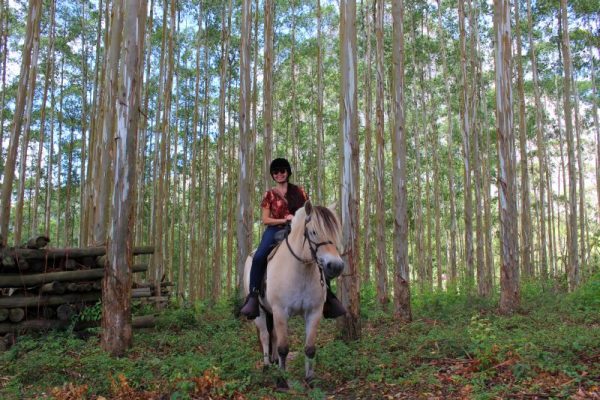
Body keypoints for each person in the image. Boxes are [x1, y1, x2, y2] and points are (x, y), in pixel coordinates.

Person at [240, 158, 347, 320]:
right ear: (272, 175)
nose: (279, 174)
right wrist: (285, 220)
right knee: (260, 255)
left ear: (288, 172)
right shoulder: (269, 195)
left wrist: (296, 220)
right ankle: (254, 296)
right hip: (275, 229)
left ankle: (328, 297)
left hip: (297, 229)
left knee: (316, 252)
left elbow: (307, 214)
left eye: (282, 171)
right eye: (276, 172)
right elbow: (266, 220)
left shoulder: (299, 191)